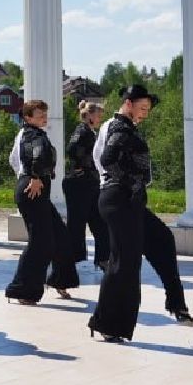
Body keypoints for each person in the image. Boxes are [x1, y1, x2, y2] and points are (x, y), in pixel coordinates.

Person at [88, 84, 193, 342]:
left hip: (122, 197)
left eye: (148, 109)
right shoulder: (119, 127)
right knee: (124, 263)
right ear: (128, 103)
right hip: (120, 198)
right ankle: (107, 324)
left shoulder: (114, 126)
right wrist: (130, 183)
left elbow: (99, 159)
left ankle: (177, 304)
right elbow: (107, 159)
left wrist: (126, 185)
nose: (146, 113)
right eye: (143, 108)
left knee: (161, 239)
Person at [4, 99, 77, 304]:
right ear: (27, 117)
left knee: (61, 236)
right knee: (40, 242)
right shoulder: (32, 134)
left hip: (34, 189)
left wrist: (24, 175)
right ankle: (22, 290)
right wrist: (33, 176)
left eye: (45, 114)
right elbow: (33, 153)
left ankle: (60, 280)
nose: (44, 118)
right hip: (32, 190)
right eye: (40, 115)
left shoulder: (27, 133)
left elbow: (13, 160)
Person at [62, 99, 109, 270]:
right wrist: (83, 164)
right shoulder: (82, 131)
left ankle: (103, 259)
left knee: (100, 221)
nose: (100, 118)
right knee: (77, 224)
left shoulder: (89, 132)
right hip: (78, 184)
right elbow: (72, 149)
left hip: (90, 183)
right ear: (89, 115)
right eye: (98, 114)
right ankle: (69, 262)